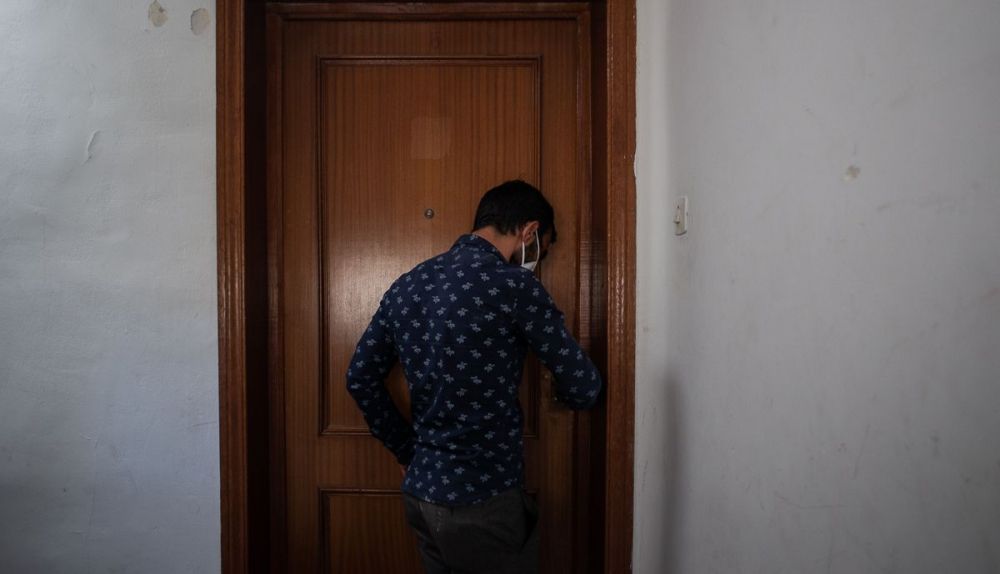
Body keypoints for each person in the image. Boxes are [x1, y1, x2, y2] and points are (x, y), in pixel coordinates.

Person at [345, 180, 603, 573]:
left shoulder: (408, 284)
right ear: (530, 232)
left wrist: (406, 450)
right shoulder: (515, 286)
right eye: (544, 249)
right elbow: (584, 387)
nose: (538, 260)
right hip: (484, 498)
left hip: (422, 495)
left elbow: (359, 376)